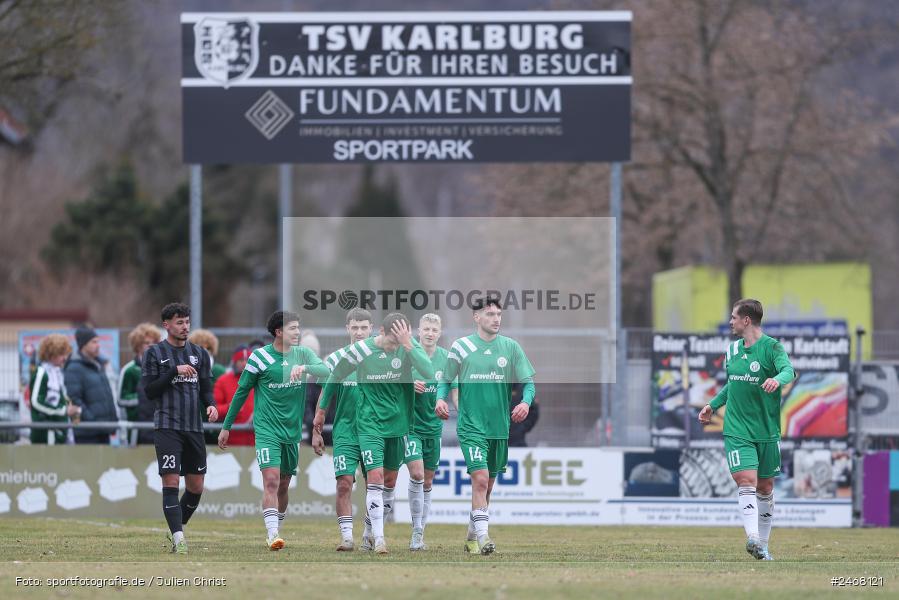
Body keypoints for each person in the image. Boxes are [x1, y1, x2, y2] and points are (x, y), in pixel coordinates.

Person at [317, 312, 434, 555]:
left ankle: (369, 532)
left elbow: (428, 371)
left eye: (398, 342)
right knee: (375, 477)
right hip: (368, 424)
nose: (394, 347)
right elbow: (335, 376)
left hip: (398, 426)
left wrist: (408, 344)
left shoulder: (406, 349)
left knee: (389, 481)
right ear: (381, 332)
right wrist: (320, 413)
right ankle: (380, 538)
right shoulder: (362, 350)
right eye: (392, 341)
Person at [218, 310, 330, 551]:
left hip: (292, 432)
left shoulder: (303, 353)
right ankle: (272, 535)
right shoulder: (259, 358)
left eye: (299, 328)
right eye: (292, 329)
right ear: (278, 332)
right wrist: (226, 426)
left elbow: (326, 372)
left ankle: (276, 526)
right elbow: (240, 392)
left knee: (283, 484)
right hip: (266, 429)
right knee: (270, 480)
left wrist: (305, 366)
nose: (297, 332)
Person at [436, 297, 536, 555]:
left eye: (498, 314)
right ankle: (484, 538)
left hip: (499, 428)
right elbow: (445, 380)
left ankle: (471, 536)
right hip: (471, 426)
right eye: (490, 314)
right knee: (479, 480)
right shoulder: (462, 347)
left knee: (487, 486)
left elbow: (529, 383)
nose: (496, 318)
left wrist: (524, 403)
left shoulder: (511, 348)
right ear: (476, 317)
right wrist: (439, 399)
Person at [699, 298, 795, 561]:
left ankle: (762, 547)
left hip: (766, 430)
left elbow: (789, 371)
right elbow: (734, 383)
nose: (730, 322)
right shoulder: (732, 351)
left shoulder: (772, 348)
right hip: (737, 429)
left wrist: (776, 379)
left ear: (746, 320)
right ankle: (752, 537)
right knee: (746, 480)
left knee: (765, 487)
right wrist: (713, 405)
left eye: (733, 317)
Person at [141, 303, 219, 555]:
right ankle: (179, 539)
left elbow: (206, 388)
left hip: (193, 428)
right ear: (166, 325)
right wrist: (173, 371)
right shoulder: (154, 354)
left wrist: (211, 405)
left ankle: (176, 528)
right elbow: (150, 390)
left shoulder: (199, 354)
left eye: (187, 322)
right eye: (179, 323)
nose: (185, 327)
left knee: (196, 487)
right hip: (167, 426)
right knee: (171, 480)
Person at [311, 308, 373, 551]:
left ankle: (369, 532)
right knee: (344, 483)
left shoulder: (381, 359)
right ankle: (347, 537)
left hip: (374, 432)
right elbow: (323, 396)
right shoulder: (335, 360)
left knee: (375, 485)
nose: (359, 332)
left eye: (363, 327)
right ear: (347, 329)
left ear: (371, 329)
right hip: (345, 431)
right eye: (354, 327)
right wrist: (316, 430)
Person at [403, 313, 457, 550]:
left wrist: (448, 402)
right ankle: (415, 531)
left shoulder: (446, 359)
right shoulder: (408, 355)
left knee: (427, 481)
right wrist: (407, 385)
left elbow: (453, 389)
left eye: (434, 330)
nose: (430, 333)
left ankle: (419, 534)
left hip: (433, 428)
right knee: (416, 474)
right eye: (426, 329)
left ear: (440, 333)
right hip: (410, 426)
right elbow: (390, 381)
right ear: (418, 331)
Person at [64, 326, 117, 444]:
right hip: (87, 433)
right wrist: (91, 419)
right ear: (83, 344)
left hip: (103, 430)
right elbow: (74, 399)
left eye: (98, 341)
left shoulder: (98, 365)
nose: (98, 345)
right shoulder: (74, 368)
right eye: (94, 342)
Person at [30, 334, 80, 445]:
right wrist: (63, 411)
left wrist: (72, 411)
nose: (65, 358)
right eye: (61, 354)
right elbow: (36, 402)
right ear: (50, 354)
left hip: (60, 432)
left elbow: (61, 399)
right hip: (46, 435)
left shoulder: (57, 372)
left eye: (66, 354)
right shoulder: (41, 372)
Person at [119, 323, 162, 445]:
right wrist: (143, 400)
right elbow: (121, 399)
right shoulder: (129, 370)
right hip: (137, 427)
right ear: (137, 346)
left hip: (159, 425)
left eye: (154, 342)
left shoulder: (162, 368)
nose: (151, 346)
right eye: (146, 343)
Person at [213, 345, 255, 446]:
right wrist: (230, 407)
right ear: (234, 361)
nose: (244, 363)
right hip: (231, 441)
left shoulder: (259, 380)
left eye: (247, 360)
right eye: (241, 360)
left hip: (256, 441)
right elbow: (214, 409)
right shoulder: (223, 381)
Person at [189, 329, 225, 444]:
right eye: (199, 346)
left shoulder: (219, 371)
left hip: (215, 427)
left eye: (208, 347)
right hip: (193, 425)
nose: (204, 350)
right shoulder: (188, 370)